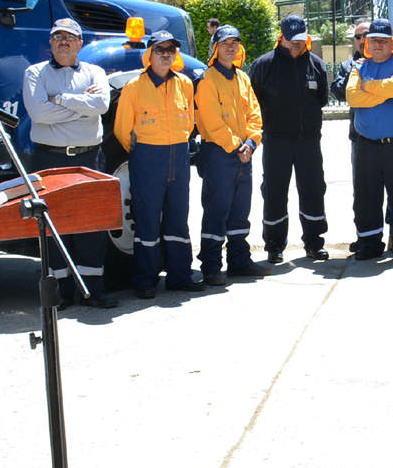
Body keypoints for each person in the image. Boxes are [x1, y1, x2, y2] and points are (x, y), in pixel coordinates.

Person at [20, 16, 115, 306]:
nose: (63, 42)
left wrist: (59, 98)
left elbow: (101, 105)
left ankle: (93, 289)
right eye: (58, 37)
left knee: (92, 223)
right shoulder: (34, 73)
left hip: (88, 157)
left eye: (70, 38)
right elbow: (39, 115)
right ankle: (61, 293)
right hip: (49, 158)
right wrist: (81, 107)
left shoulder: (95, 71)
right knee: (52, 224)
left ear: (79, 44)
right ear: (50, 43)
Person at [114, 21, 199, 300]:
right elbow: (123, 130)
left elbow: (190, 123)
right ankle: (146, 280)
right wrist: (143, 153)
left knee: (178, 220)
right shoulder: (134, 87)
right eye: (159, 49)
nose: (165, 54)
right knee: (147, 222)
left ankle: (180, 276)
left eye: (170, 49)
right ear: (149, 54)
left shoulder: (185, 84)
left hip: (179, 156)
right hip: (148, 159)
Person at [250, 15, 330, 263]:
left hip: (308, 141)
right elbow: (253, 101)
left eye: (300, 40)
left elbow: (323, 98)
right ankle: (274, 245)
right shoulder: (264, 65)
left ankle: (314, 243)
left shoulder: (316, 64)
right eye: (290, 40)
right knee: (274, 192)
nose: (296, 45)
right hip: (276, 141)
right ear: (281, 37)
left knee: (314, 190)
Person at [345, 18, 393, 262]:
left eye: (383, 41)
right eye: (373, 41)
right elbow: (352, 97)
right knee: (366, 196)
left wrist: (369, 87)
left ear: (392, 43)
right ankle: (369, 243)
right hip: (366, 144)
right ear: (366, 43)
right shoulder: (359, 66)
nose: (377, 45)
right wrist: (384, 93)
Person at [194, 24, 265, 287]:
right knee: (216, 210)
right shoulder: (206, 79)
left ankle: (239, 261)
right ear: (216, 48)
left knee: (240, 209)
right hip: (219, 154)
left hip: (243, 153)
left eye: (235, 42)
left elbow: (254, 115)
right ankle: (211, 267)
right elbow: (211, 122)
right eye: (225, 43)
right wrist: (238, 146)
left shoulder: (243, 78)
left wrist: (250, 143)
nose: (231, 47)